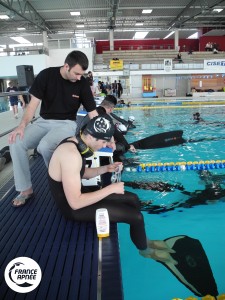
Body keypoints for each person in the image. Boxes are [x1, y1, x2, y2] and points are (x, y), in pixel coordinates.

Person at [48, 114, 177, 265]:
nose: (104, 146)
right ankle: (145, 251)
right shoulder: (70, 155)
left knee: (133, 199)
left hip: (81, 195)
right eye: (103, 142)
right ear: (92, 137)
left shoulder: (75, 143)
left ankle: (144, 241)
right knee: (136, 217)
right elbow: (75, 203)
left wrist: (105, 168)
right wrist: (110, 189)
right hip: (74, 209)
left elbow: (80, 173)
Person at [9, 50, 98, 207]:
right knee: (16, 141)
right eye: (77, 73)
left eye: (81, 74)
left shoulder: (82, 83)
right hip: (44, 121)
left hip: (66, 123)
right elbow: (32, 105)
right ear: (66, 66)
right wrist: (21, 126)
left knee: (45, 146)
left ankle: (62, 184)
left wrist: (104, 134)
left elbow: (92, 112)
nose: (79, 77)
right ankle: (25, 189)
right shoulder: (46, 76)